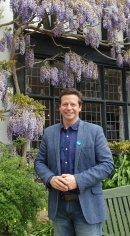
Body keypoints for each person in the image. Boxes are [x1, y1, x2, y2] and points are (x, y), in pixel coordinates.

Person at [34, 88, 114, 236]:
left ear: (80, 107)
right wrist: (50, 179)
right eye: (65, 104)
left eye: (73, 104)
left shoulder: (94, 131)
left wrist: (78, 180)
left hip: (87, 205)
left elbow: (107, 165)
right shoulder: (49, 133)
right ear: (59, 107)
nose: (69, 108)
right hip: (59, 206)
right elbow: (39, 162)